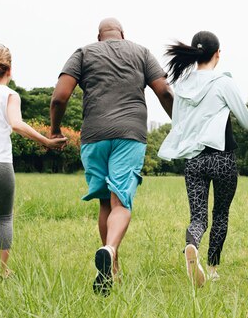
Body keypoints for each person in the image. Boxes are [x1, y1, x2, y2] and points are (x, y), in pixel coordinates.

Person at [50, 18, 174, 295]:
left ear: (99, 37)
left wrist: (55, 129)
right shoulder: (141, 52)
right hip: (130, 134)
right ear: (122, 34)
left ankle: (112, 270)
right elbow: (164, 90)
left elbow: (59, 97)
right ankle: (110, 249)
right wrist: (179, 125)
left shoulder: (83, 53)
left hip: (94, 136)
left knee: (106, 202)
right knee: (121, 202)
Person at [158, 31, 248, 287]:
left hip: (194, 161)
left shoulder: (182, 86)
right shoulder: (223, 83)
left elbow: (179, 124)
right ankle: (213, 268)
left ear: (194, 54)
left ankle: (192, 244)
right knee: (221, 214)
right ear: (218, 53)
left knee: (198, 219)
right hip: (222, 159)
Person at [0, 43, 66, 278]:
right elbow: (16, 124)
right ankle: (2, 272)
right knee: (4, 218)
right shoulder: (10, 94)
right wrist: (47, 142)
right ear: (10, 69)